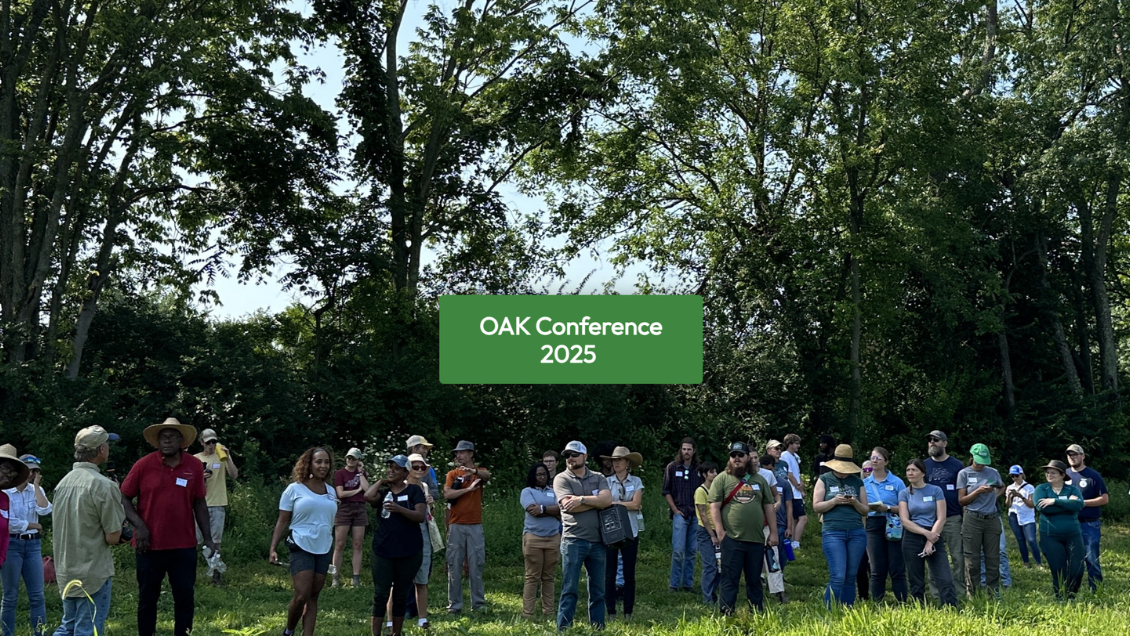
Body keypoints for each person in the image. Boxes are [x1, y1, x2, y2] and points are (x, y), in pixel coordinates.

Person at [120, 418, 216, 636]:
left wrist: (208, 538)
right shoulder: (143, 465)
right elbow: (124, 498)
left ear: (182, 441)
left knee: (184, 596)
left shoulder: (193, 465)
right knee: (147, 597)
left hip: (183, 545)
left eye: (173, 436)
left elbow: (199, 502)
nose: (168, 440)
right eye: (163, 437)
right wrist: (139, 525)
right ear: (157, 441)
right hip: (149, 546)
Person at [49, 426, 127, 636]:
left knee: (68, 626)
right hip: (93, 572)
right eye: (107, 444)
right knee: (87, 629)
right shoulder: (103, 485)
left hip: (66, 569)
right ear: (102, 449)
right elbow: (113, 537)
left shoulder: (63, 483)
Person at [269, 447, 337, 636]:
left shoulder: (331, 491)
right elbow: (282, 520)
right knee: (301, 595)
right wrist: (273, 547)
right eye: (319, 462)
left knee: (313, 596)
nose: (323, 466)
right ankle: (289, 631)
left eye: (326, 462)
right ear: (309, 464)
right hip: (300, 544)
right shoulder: (294, 489)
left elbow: (331, 521)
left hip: (324, 547)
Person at [709, 442, 776, 615]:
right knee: (729, 581)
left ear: (748, 457)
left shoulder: (760, 480)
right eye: (733, 455)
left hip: (755, 539)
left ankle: (757, 616)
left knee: (754, 581)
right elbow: (714, 507)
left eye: (740, 455)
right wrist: (720, 532)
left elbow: (769, 506)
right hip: (731, 539)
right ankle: (726, 616)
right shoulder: (722, 479)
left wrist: (774, 533)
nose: (736, 458)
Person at [365, 455, 426, 636]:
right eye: (389, 467)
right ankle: (375, 633)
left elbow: (420, 516)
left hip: (409, 551)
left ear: (405, 473)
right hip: (383, 550)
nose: (391, 470)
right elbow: (368, 496)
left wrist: (399, 509)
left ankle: (396, 633)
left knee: (400, 594)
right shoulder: (384, 493)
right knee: (381, 594)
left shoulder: (414, 491)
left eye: (396, 468)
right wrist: (382, 481)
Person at [554, 440, 611, 630]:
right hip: (573, 540)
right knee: (569, 588)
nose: (570, 458)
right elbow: (567, 507)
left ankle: (597, 629)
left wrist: (581, 499)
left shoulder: (598, 477)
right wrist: (596, 502)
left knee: (598, 590)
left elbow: (607, 500)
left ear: (585, 457)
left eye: (574, 454)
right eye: (567, 455)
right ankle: (564, 629)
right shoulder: (561, 479)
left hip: (598, 541)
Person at [812, 444, 869, 608]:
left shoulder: (858, 481)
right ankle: (829, 611)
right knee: (838, 575)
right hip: (833, 532)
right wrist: (834, 501)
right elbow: (816, 506)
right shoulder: (824, 479)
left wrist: (855, 502)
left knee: (851, 575)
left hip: (856, 531)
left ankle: (847, 609)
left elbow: (865, 510)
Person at [1, 452, 51, 636]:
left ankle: (40, 633)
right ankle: (7, 633)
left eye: (35, 471)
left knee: (38, 597)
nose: (31, 474)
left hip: (33, 546)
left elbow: (45, 510)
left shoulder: (36, 490)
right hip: (12, 545)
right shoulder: (5, 491)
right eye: (29, 471)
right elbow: (8, 522)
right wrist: (32, 524)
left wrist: (37, 486)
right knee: (10, 597)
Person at [898, 459, 959, 607]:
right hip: (912, 537)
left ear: (923, 473)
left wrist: (931, 540)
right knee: (916, 579)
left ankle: (950, 608)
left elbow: (941, 517)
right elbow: (905, 520)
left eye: (914, 470)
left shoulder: (935, 490)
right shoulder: (904, 493)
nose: (910, 473)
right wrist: (926, 534)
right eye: (908, 470)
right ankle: (919, 609)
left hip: (935, 533)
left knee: (944, 577)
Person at [443, 440, 491, 613]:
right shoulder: (452, 473)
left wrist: (473, 472)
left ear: (471, 453)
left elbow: (488, 476)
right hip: (456, 524)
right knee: (454, 565)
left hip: (475, 525)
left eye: (462, 452)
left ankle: (478, 604)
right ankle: (454, 606)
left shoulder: (480, 472)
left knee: (476, 564)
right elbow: (447, 494)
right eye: (457, 453)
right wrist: (467, 490)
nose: (458, 455)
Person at [956, 443, 1004, 596]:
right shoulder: (964, 474)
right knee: (972, 560)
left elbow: (1002, 486)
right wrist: (978, 492)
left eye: (984, 460)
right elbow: (961, 500)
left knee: (993, 558)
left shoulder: (993, 472)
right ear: (972, 457)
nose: (981, 463)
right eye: (978, 460)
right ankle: (973, 594)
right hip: (972, 518)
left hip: (991, 518)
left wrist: (994, 496)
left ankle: (993, 592)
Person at [602, 447, 644, 620]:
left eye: (620, 460)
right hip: (611, 531)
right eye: (614, 460)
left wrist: (614, 503)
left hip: (631, 531)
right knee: (609, 573)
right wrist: (624, 503)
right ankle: (610, 611)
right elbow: (603, 504)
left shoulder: (636, 481)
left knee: (629, 574)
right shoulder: (605, 482)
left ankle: (628, 612)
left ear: (627, 463)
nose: (616, 463)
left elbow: (636, 504)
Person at [923, 429, 966, 599]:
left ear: (945, 443)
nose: (932, 442)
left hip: (953, 517)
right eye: (930, 440)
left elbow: (963, 493)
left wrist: (964, 518)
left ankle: (960, 592)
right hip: (930, 519)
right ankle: (936, 593)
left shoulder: (957, 465)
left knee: (957, 556)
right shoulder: (924, 465)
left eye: (936, 439)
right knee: (931, 555)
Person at [1035, 459, 1085, 600]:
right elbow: (1041, 507)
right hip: (1050, 536)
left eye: (1053, 472)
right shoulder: (1041, 489)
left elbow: (1079, 505)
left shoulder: (1073, 489)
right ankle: (1061, 598)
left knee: (1077, 569)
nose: (1049, 475)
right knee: (1058, 570)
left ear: (1062, 475)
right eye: (1047, 472)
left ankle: (1071, 596)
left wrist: (1055, 501)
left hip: (1073, 534)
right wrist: (1069, 503)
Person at [863, 447, 907, 602]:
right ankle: (877, 603)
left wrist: (887, 508)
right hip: (873, 524)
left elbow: (905, 507)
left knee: (897, 567)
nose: (874, 461)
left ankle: (902, 602)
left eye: (878, 458)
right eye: (872, 457)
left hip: (893, 523)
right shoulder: (865, 483)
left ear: (886, 462)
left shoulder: (897, 482)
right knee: (876, 568)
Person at [194, 428, 237, 586]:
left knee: (215, 542)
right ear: (202, 442)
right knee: (195, 542)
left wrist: (228, 457)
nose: (211, 445)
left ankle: (216, 575)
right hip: (198, 505)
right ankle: (190, 572)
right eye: (208, 442)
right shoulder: (195, 459)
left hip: (217, 504)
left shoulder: (221, 457)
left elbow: (234, 475)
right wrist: (201, 477)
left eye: (213, 442)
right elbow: (189, 482)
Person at [520, 462, 561, 620]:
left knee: (549, 577)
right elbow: (533, 510)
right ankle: (528, 613)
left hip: (553, 537)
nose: (542, 477)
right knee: (532, 576)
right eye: (538, 474)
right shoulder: (527, 492)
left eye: (544, 474)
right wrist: (552, 511)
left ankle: (549, 611)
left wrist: (543, 509)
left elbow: (562, 509)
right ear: (533, 476)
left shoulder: (554, 491)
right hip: (533, 538)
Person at [1065, 443, 1108, 591]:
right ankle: (1070, 591)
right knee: (1071, 559)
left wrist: (1082, 503)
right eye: (1070, 455)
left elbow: (1104, 499)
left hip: (1089, 524)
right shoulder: (1063, 475)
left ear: (1083, 456)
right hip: (1069, 523)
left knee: (1091, 558)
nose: (1072, 457)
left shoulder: (1093, 475)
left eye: (1075, 454)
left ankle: (1096, 591)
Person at [662, 437, 701, 592]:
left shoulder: (699, 469)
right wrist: (675, 509)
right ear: (680, 450)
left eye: (689, 449)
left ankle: (687, 584)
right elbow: (666, 490)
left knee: (692, 551)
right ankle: (674, 584)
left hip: (695, 514)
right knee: (678, 550)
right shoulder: (672, 467)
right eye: (684, 449)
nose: (686, 452)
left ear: (694, 451)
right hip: (680, 513)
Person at [332, 447, 370, 588]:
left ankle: (356, 577)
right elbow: (340, 494)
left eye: (354, 458)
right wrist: (357, 490)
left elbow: (367, 490)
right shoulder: (340, 473)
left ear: (358, 460)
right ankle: (335, 577)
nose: (350, 460)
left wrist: (360, 473)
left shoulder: (362, 473)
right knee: (339, 544)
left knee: (358, 544)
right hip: (344, 508)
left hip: (359, 508)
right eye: (349, 458)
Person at [758, 453, 790, 604]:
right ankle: (755, 587)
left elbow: (776, 497)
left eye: (754, 457)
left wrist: (777, 503)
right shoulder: (737, 476)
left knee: (772, 557)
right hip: (747, 526)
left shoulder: (767, 475)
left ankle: (779, 591)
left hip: (765, 523)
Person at [693, 461, 720, 605]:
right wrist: (712, 535)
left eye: (715, 471)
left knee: (720, 566)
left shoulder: (717, 490)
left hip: (718, 529)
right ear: (705, 475)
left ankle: (713, 592)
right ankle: (707, 597)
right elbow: (703, 514)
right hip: (705, 531)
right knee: (710, 565)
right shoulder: (700, 491)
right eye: (711, 472)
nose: (715, 474)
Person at [1005, 465, 1040, 566]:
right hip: (1014, 516)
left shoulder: (1029, 487)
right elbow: (1008, 505)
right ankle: (1026, 562)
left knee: (1031, 540)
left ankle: (1039, 563)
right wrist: (1009, 496)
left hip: (1027, 517)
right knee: (1020, 540)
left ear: (1022, 474)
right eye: (1012, 476)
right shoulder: (1009, 487)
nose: (1015, 478)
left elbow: (1031, 505)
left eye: (1016, 475)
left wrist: (1021, 496)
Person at [766, 441, 796, 550]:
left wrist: (789, 527)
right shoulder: (759, 477)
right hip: (765, 523)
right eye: (776, 448)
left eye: (780, 448)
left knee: (782, 557)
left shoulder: (784, 467)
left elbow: (789, 505)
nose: (779, 450)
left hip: (782, 522)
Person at [780, 434, 808, 550]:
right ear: (790, 444)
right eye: (796, 443)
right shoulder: (785, 455)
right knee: (803, 518)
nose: (798, 446)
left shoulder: (795, 456)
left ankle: (792, 542)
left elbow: (797, 473)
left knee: (795, 518)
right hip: (792, 491)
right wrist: (798, 487)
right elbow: (789, 474)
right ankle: (795, 543)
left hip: (797, 491)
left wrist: (801, 485)